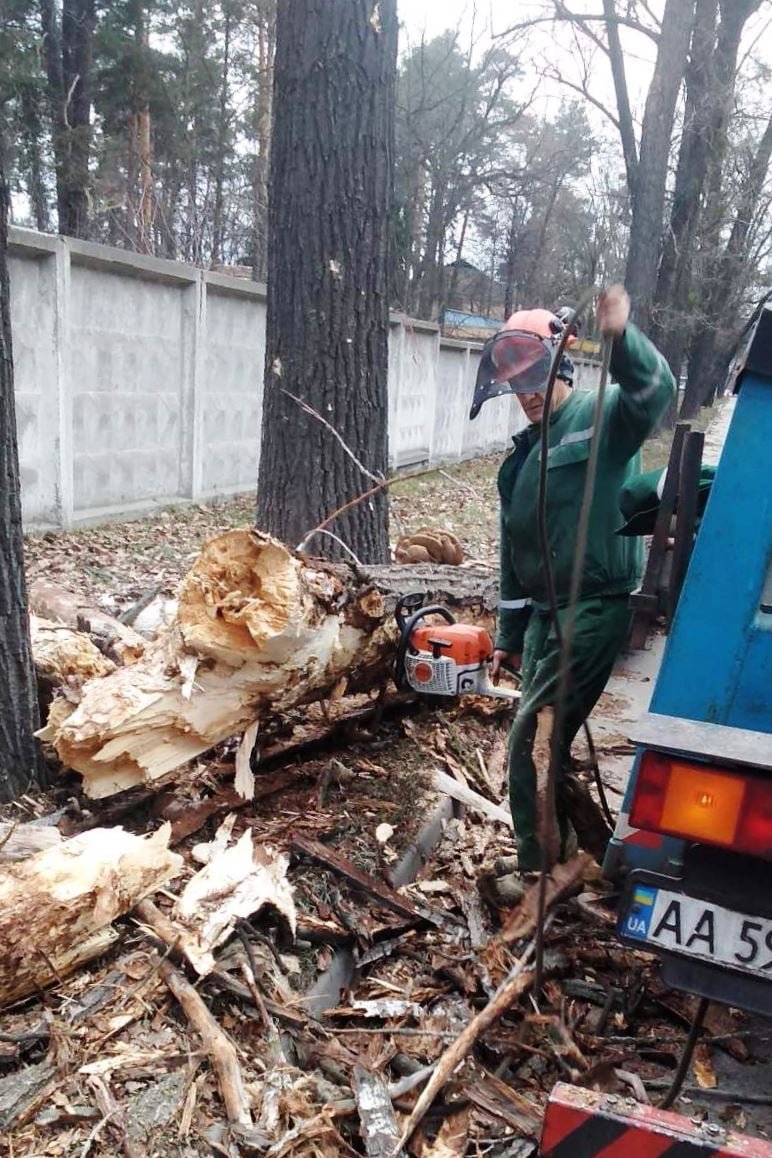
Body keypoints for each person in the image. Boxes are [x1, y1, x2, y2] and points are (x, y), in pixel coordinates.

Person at [469, 286, 676, 884]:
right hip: (539, 616)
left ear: (563, 363)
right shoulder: (520, 459)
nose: (527, 393)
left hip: (591, 608)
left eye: (536, 377)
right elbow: (516, 551)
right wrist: (508, 632)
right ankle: (564, 852)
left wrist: (624, 337)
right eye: (516, 382)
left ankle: (538, 876)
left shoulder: (601, 414)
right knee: (542, 741)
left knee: (531, 741)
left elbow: (654, 391)